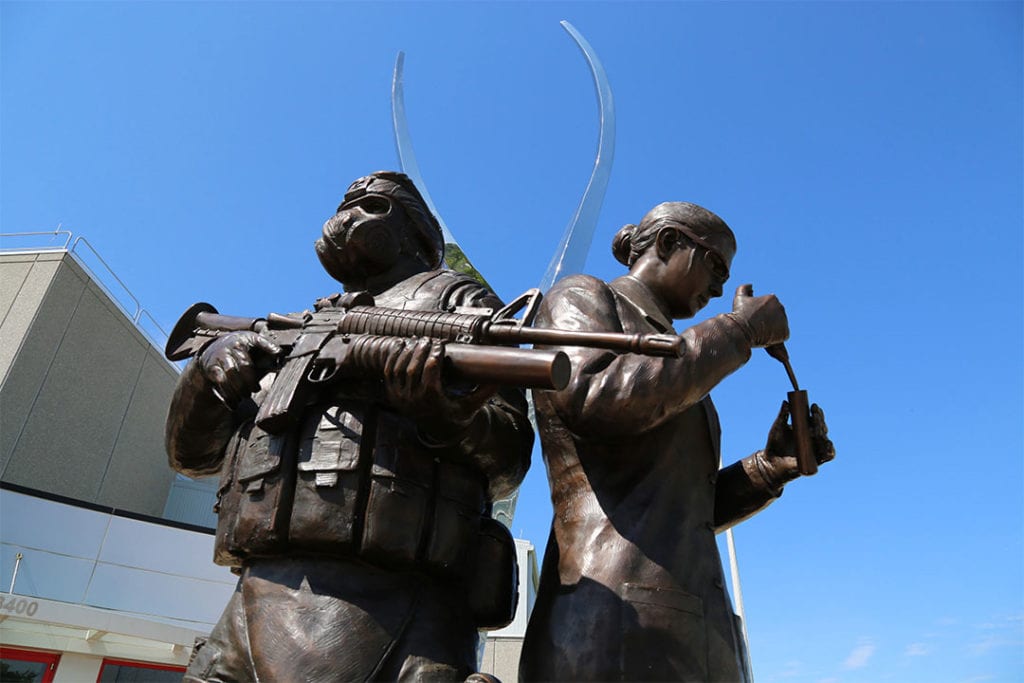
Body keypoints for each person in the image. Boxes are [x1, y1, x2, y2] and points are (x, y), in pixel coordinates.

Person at [166, 171, 533, 682]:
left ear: (417, 232)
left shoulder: (458, 303)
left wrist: (442, 413)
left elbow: (510, 454)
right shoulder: (300, 323)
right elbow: (192, 457)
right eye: (346, 203)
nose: (348, 216)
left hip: (399, 604)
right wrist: (207, 370)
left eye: (373, 204)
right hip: (251, 600)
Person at [519, 202, 834, 682]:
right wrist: (739, 330)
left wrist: (770, 467)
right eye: (715, 265)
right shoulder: (582, 297)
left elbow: (686, 511)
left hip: (692, 634)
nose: (720, 288)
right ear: (668, 243)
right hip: (612, 621)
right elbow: (597, 397)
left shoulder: (677, 360)